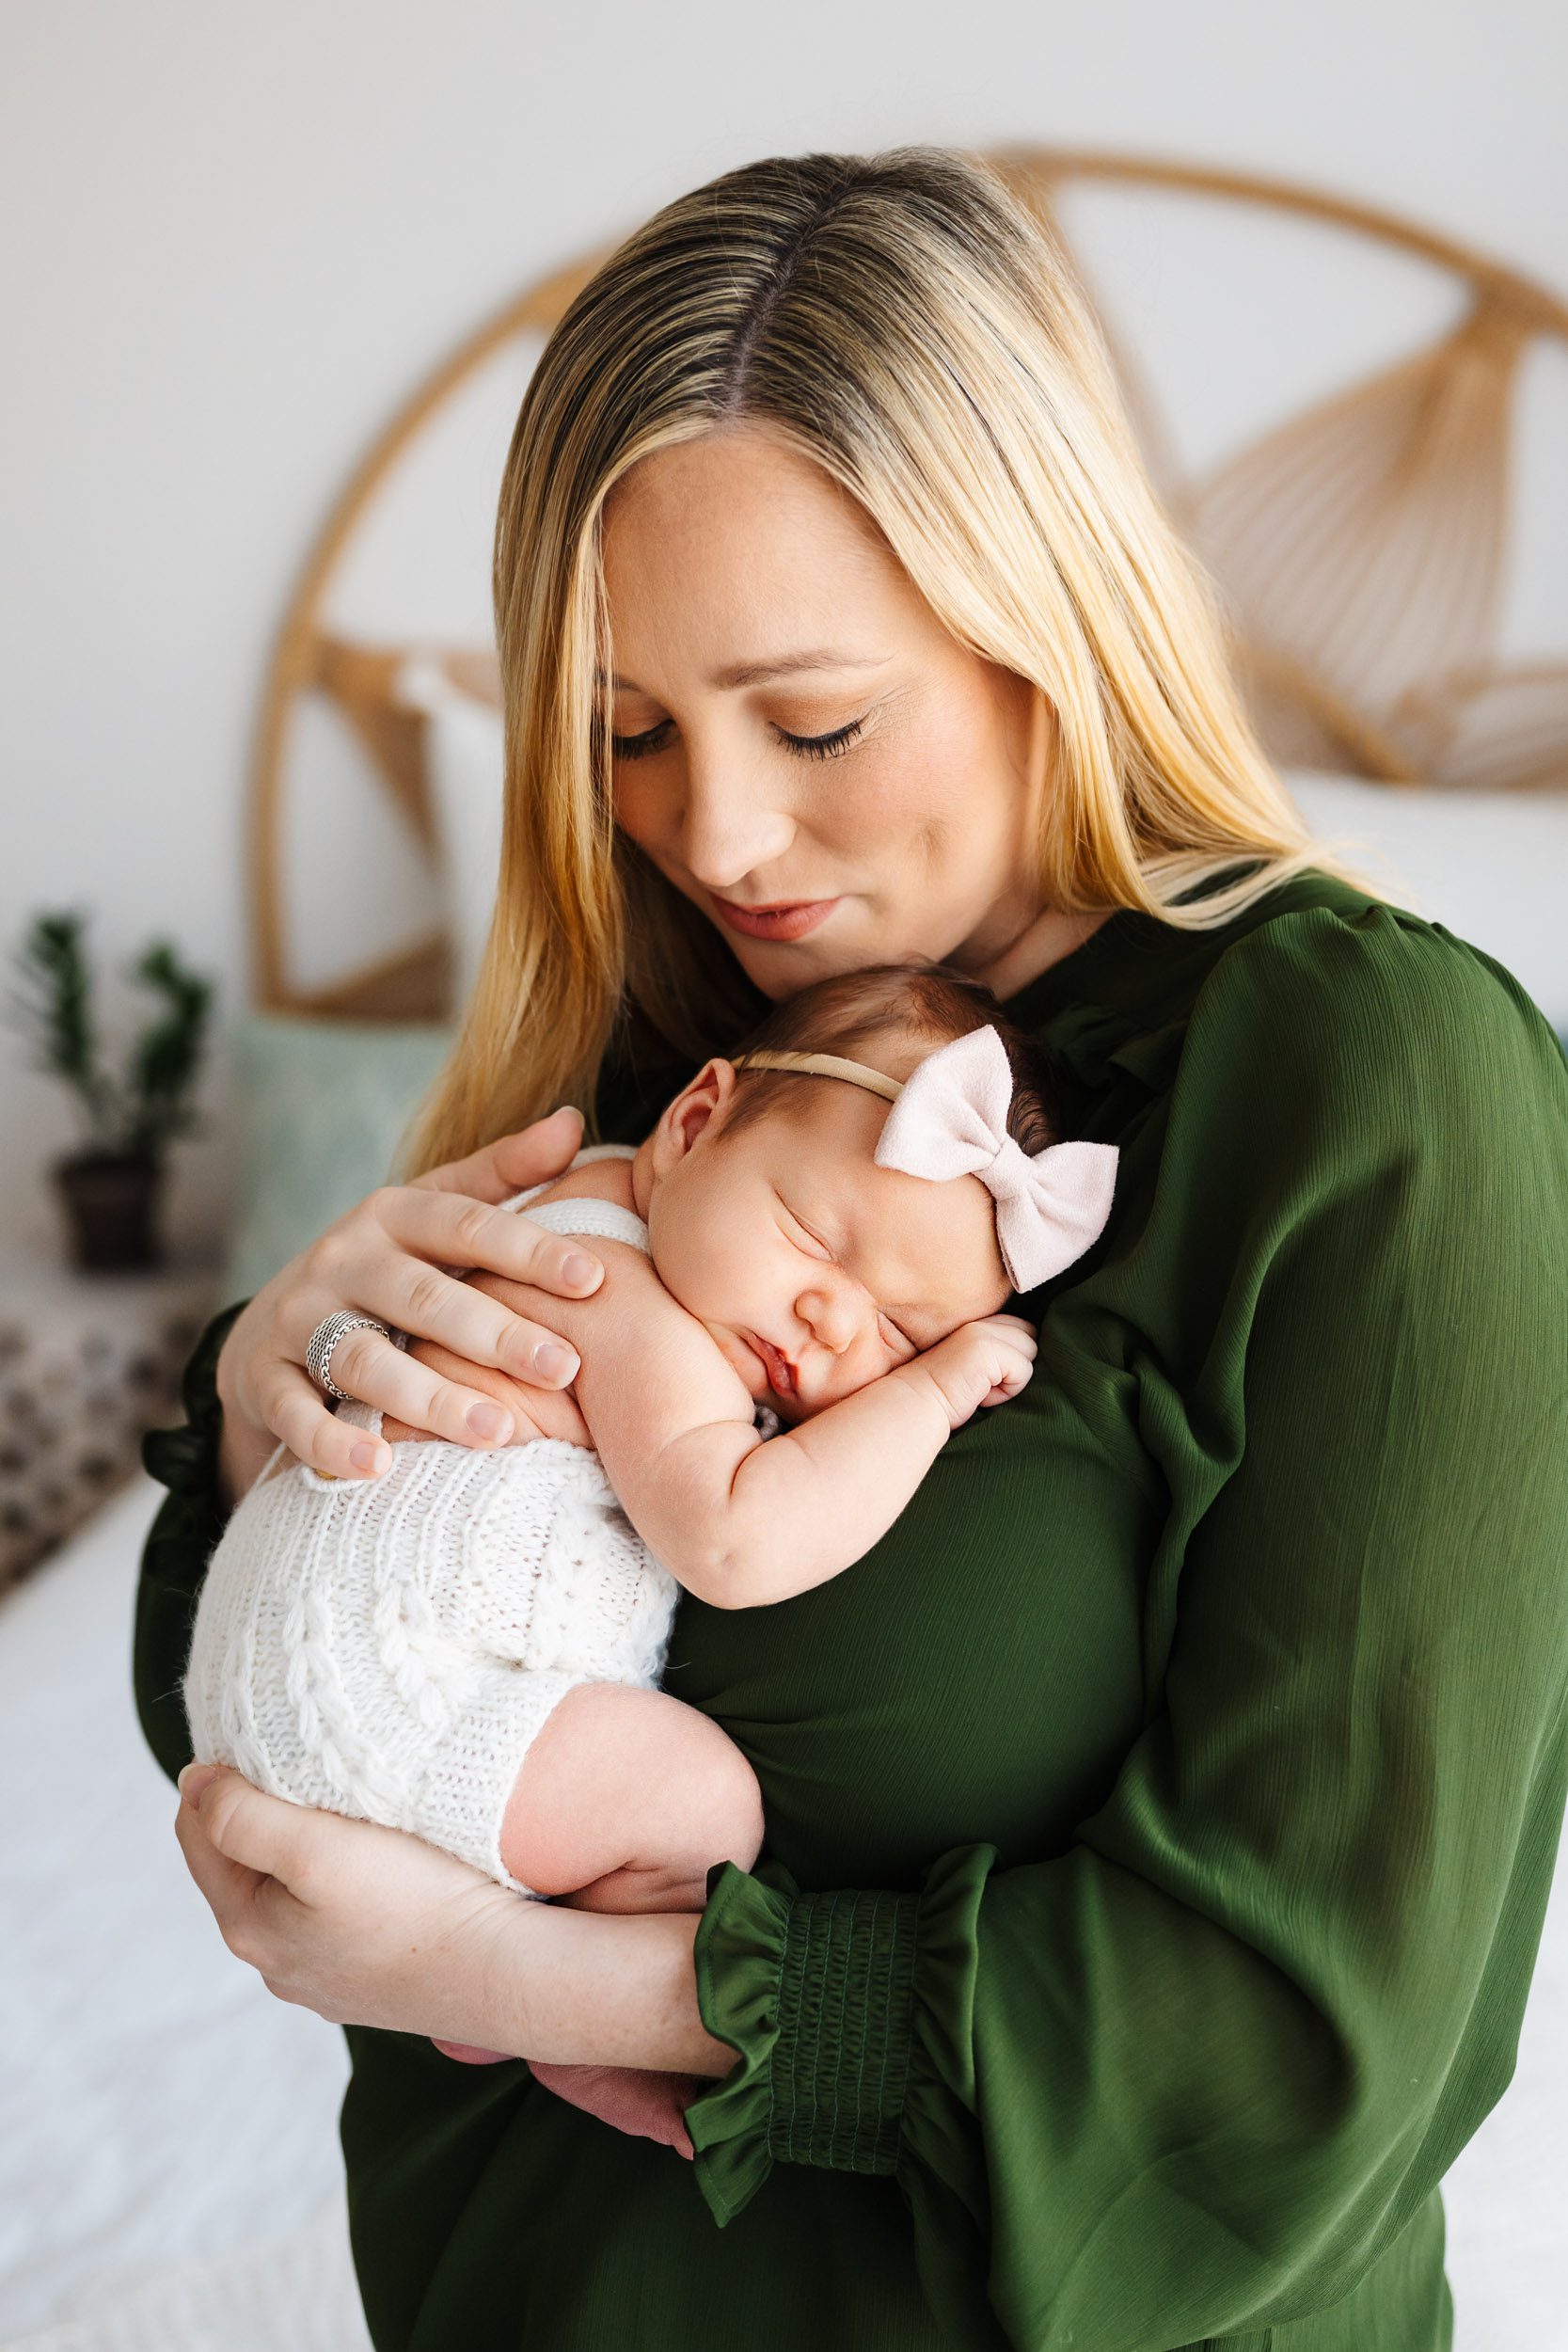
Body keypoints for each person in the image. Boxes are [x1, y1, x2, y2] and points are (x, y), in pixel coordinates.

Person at [137, 146, 1568, 2352]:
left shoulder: (1375, 1088)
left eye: (814, 723)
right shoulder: (665, 1051)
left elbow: (1294, 2048)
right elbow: (272, 1731)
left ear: (1047, 624)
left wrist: (536, 1979)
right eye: (624, 731)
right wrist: (258, 1410)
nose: (711, 831)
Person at [181, 968, 1090, 2149]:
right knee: (700, 1802)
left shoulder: (600, 1213)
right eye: (815, 1238)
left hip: (299, 1678)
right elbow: (732, 1537)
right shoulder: (606, 1287)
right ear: (694, 1123)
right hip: (385, 1698)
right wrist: (930, 1385)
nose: (830, 1324)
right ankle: (565, 2016)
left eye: (898, 1329)